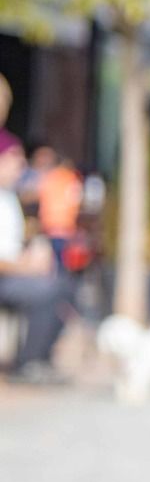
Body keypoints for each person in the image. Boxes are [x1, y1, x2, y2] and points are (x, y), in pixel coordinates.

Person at [0, 140, 71, 383]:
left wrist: (36, 251)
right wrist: (26, 266)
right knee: (46, 290)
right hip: (6, 277)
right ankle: (28, 363)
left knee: (65, 285)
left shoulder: (10, 197)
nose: (20, 166)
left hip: (17, 271)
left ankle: (42, 356)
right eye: (13, 160)